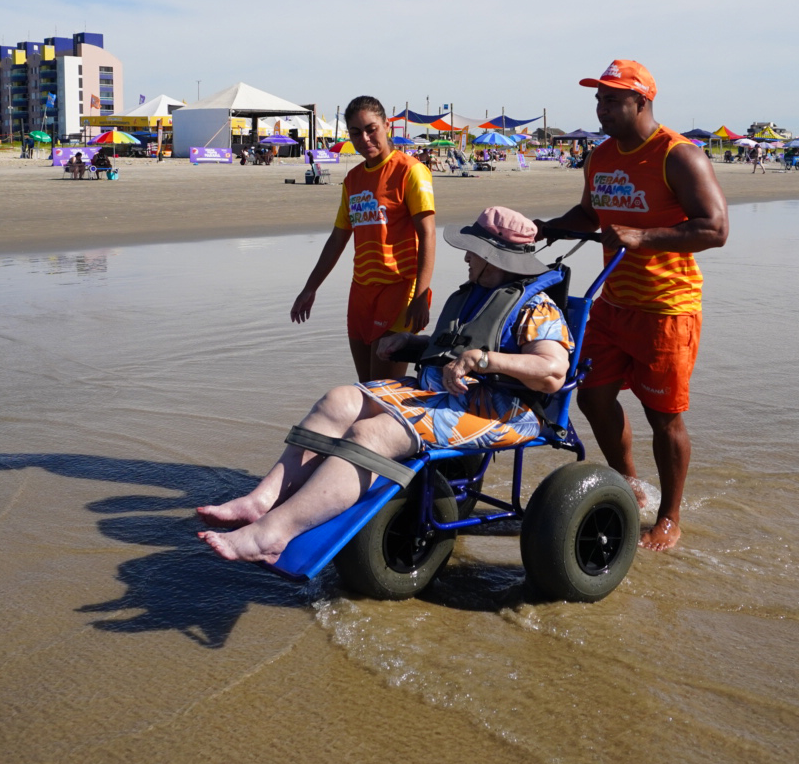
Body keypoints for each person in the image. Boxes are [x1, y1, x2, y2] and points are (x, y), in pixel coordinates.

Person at [199, 207, 571, 563]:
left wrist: (484, 360)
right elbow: (454, 349)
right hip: (443, 394)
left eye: (473, 251)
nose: (466, 258)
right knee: (339, 400)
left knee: (373, 433)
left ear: (494, 257)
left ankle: (272, 534)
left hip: (500, 410)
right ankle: (262, 501)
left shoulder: (536, 309)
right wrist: (410, 343)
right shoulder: (475, 295)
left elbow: (553, 371)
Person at [535, 59, 729, 551]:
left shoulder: (678, 155)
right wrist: (542, 229)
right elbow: (588, 214)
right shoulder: (599, 157)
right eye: (598, 99)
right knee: (591, 396)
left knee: (663, 416)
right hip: (613, 303)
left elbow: (716, 228)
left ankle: (670, 517)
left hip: (668, 310)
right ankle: (629, 484)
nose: (601, 108)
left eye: (612, 99)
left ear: (642, 101)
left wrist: (643, 236)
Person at [291, 95, 436, 382]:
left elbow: (428, 233)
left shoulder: (410, 171)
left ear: (386, 126)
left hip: (399, 289)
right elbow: (337, 239)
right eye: (356, 133)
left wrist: (421, 296)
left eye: (372, 129)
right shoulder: (353, 179)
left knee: (383, 392)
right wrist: (310, 288)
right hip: (361, 292)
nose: (365, 138)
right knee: (367, 386)